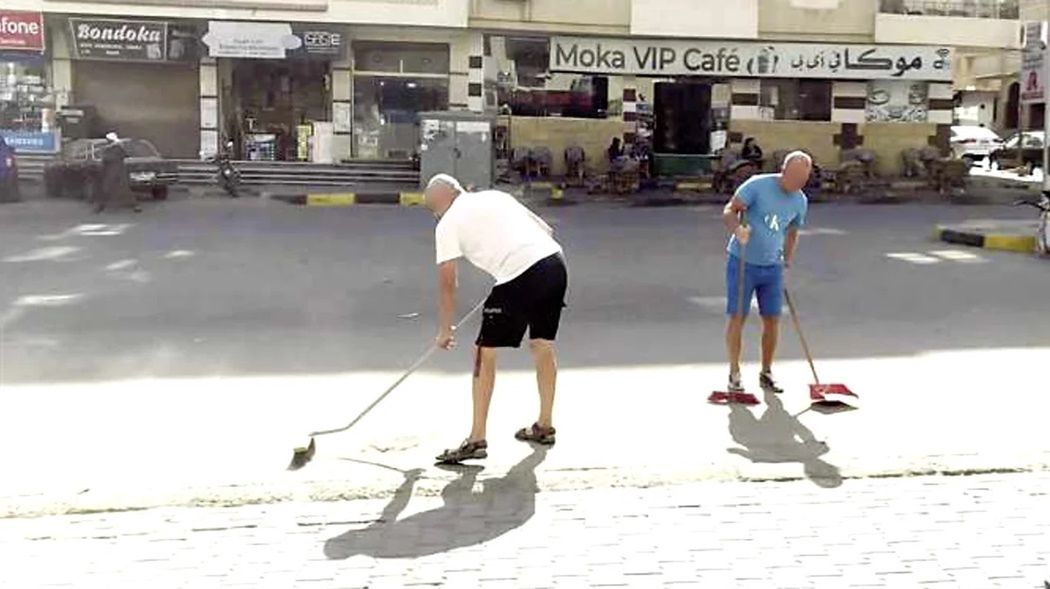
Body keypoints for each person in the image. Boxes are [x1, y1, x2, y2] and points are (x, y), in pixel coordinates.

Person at [424, 174, 568, 464]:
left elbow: (448, 282)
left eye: (432, 208)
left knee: (484, 351)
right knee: (542, 345)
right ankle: (544, 426)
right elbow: (547, 230)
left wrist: (445, 329)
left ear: (443, 198)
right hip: (554, 263)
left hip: (519, 273)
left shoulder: (448, 223)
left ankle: (476, 439)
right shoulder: (496, 197)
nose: (434, 214)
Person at [722, 151, 811, 396]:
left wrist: (787, 261)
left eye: (803, 179)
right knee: (737, 316)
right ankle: (734, 372)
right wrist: (738, 229)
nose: (798, 183)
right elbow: (730, 210)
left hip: (772, 266)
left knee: (772, 319)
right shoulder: (757, 186)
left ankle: (767, 371)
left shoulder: (800, 200)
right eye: (795, 177)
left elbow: (793, 232)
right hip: (743, 261)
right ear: (784, 171)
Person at [96, 132, 141, 214]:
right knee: (109, 189)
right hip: (115, 171)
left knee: (114, 189)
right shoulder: (113, 148)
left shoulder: (116, 148)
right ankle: (101, 206)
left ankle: (135, 206)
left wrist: (104, 156)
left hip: (115, 171)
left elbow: (108, 159)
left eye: (108, 140)